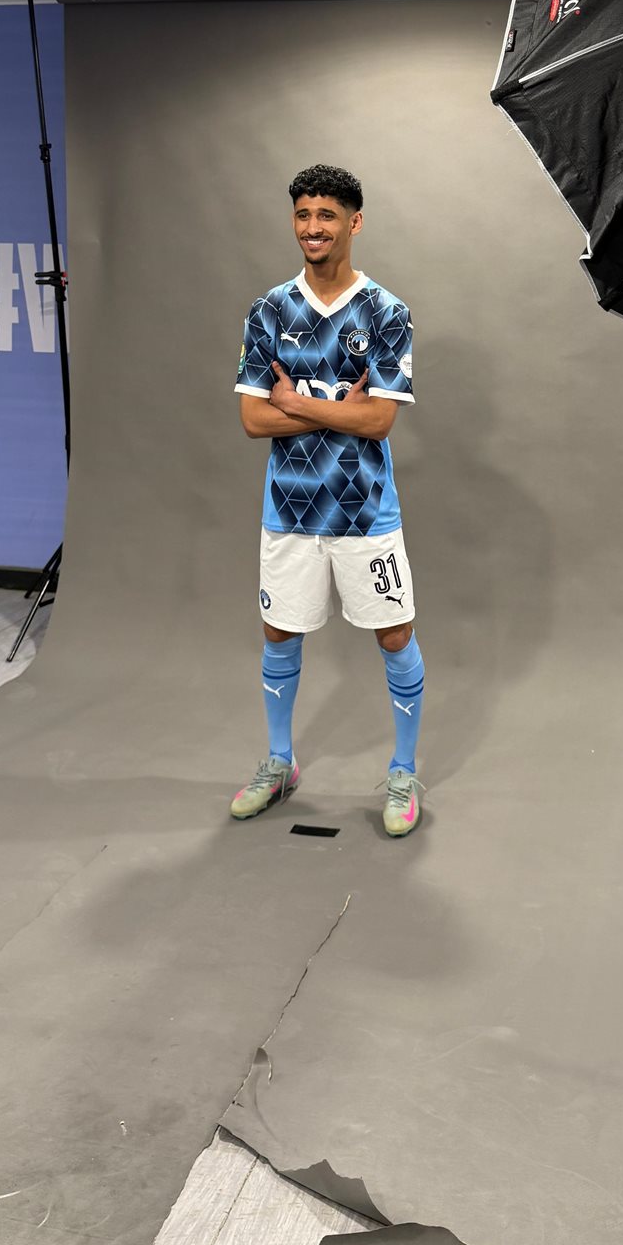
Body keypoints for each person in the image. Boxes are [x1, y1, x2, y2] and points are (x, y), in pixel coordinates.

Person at [231, 164, 424, 836]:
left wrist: (293, 401)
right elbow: (252, 420)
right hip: (288, 509)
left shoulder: (387, 312)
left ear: (354, 222)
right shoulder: (269, 309)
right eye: (303, 215)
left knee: (393, 633)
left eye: (327, 216)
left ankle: (403, 770)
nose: (313, 228)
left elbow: (379, 421)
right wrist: (336, 407)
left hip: (365, 509)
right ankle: (280, 762)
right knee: (279, 632)